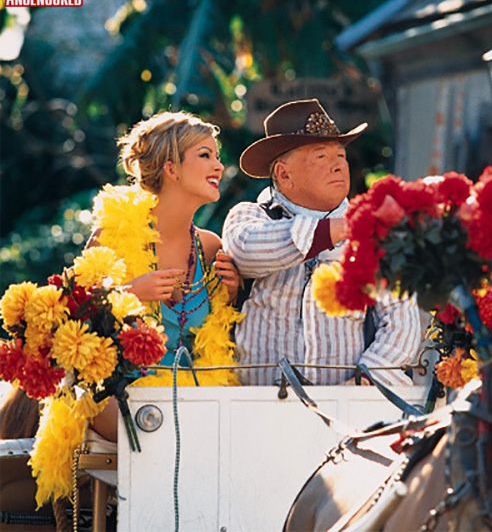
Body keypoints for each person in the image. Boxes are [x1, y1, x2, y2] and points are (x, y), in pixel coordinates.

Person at [222, 99, 421, 386]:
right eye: (321, 156)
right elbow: (246, 250)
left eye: (340, 155)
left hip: (351, 404)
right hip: (257, 403)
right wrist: (338, 229)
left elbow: (401, 321)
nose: (338, 165)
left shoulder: (374, 232)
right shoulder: (250, 215)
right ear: (283, 174)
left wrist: (364, 381)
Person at [89, 111, 243, 441]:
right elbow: (71, 320)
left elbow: (221, 338)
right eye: (205, 155)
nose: (219, 166)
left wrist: (230, 297)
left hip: (196, 408)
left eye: (217, 157)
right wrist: (128, 293)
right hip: (121, 407)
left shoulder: (210, 248)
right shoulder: (112, 237)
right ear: (171, 169)